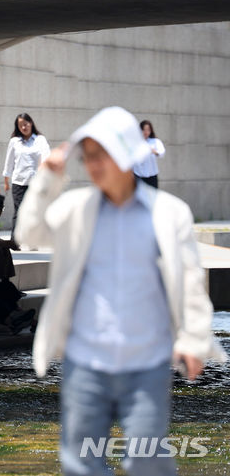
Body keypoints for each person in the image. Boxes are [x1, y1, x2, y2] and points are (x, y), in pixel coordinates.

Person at [15, 106, 227, 476]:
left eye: (104, 155)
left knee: (147, 463)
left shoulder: (169, 213)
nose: (94, 165)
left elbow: (191, 281)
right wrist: (48, 178)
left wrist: (194, 339)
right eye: (89, 156)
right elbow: (28, 234)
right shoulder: (75, 208)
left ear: (128, 156)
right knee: (80, 465)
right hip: (84, 362)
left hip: (147, 362)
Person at [1, 113, 50, 239]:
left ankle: (33, 239)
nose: (24, 127)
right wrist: (6, 181)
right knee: (19, 211)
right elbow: (9, 162)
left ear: (31, 123)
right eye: (20, 125)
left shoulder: (40, 140)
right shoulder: (14, 141)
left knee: (35, 211)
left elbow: (46, 157)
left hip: (36, 182)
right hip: (19, 182)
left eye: (26, 124)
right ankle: (15, 240)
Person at [132, 119, 165, 188]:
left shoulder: (155, 141)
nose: (146, 132)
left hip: (152, 175)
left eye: (148, 130)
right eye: (144, 130)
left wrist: (153, 151)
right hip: (138, 175)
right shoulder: (134, 142)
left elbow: (161, 152)